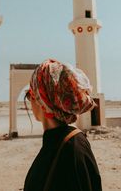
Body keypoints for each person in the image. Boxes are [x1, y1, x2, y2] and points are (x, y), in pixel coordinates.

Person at [23, 58, 103, 191]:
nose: (30, 101)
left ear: (42, 101)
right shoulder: (61, 143)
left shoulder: (73, 149)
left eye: (30, 94)